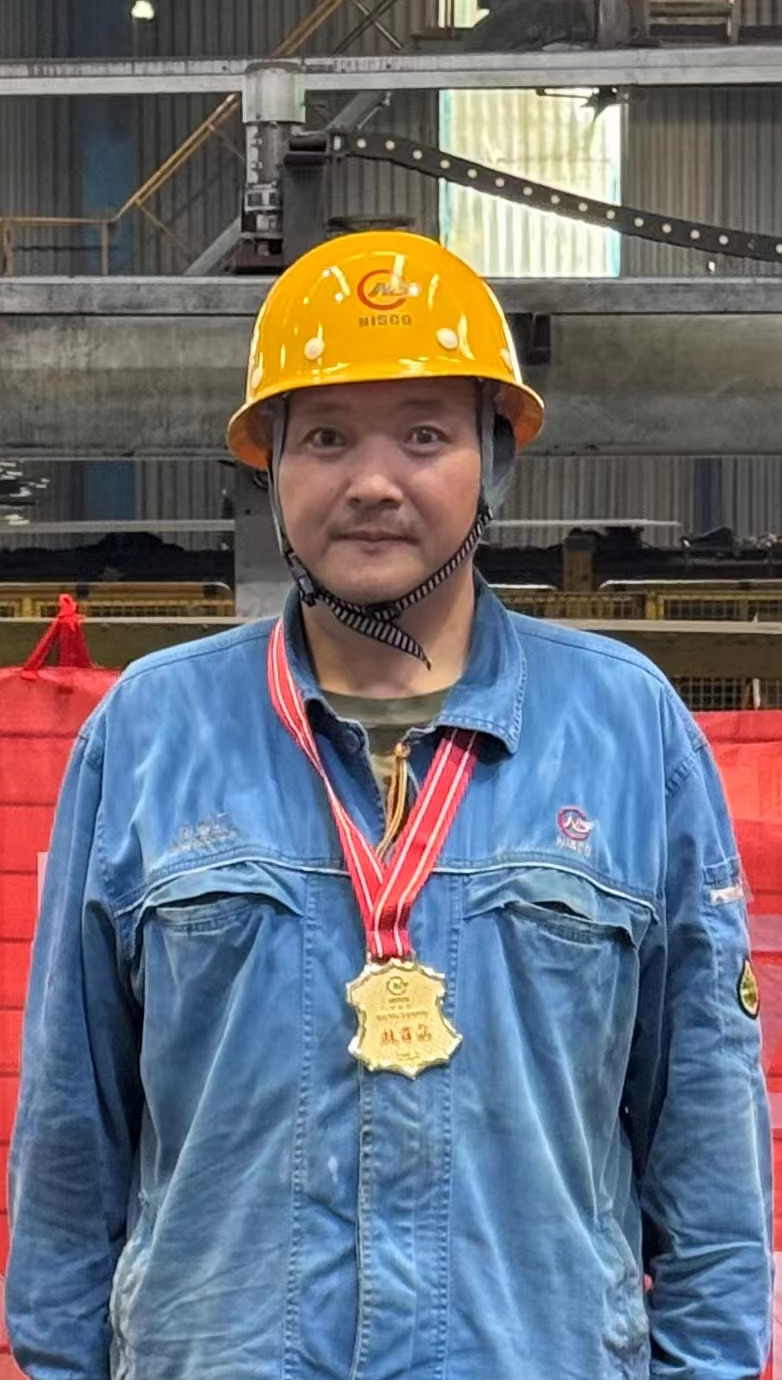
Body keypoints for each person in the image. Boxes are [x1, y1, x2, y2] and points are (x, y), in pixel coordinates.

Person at [6, 231, 772, 1381]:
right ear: (271, 464)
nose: (372, 480)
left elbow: (703, 1134)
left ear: (490, 462)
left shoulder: (627, 730)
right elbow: (74, 1128)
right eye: (325, 436)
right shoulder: (150, 734)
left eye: (423, 434)